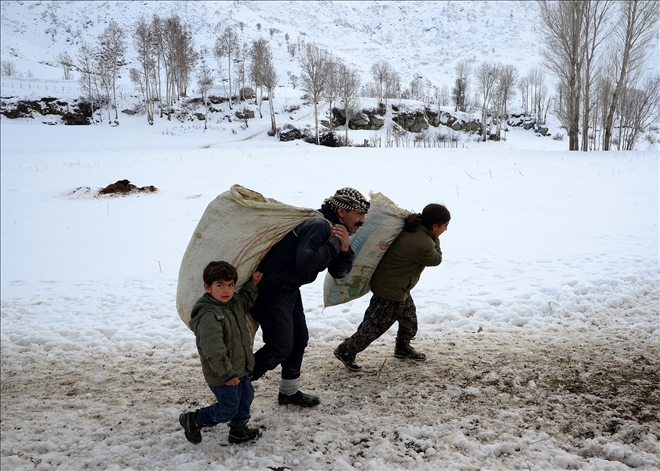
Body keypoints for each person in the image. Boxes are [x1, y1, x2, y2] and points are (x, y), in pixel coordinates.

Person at [250, 187, 370, 407]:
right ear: (342, 212)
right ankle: (236, 384)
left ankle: (288, 391)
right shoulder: (319, 225)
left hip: (288, 288)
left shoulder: (333, 229)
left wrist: (344, 249)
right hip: (270, 290)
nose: (362, 220)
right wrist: (336, 244)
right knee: (280, 346)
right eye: (359, 214)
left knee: (299, 339)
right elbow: (306, 263)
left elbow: (339, 272)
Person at [334, 203, 450, 371]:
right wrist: (435, 238)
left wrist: (432, 235)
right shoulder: (423, 242)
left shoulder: (414, 227)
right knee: (374, 326)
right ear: (434, 226)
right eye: (444, 226)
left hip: (398, 286)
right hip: (390, 289)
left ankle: (403, 348)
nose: (445, 230)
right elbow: (436, 259)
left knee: (409, 320)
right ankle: (345, 351)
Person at [179, 261, 263, 445]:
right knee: (228, 408)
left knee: (245, 398)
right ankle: (194, 419)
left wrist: (253, 284)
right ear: (207, 287)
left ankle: (238, 430)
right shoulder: (209, 316)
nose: (226, 290)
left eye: (230, 285)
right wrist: (226, 373)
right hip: (223, 374)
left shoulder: (234, 304)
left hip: (240, 368)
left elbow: (246, 299)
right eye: (220, 285)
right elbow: (214, 350)